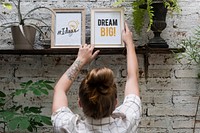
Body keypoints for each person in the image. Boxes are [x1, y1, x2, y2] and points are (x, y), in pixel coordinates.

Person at [51, 22, 141, 133]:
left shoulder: (66, 126)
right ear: (116, 103)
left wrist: (80, 60)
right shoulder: (128, 122)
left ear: (80, 103)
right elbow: (133, 77)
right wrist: (130, 44)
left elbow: (59, 89)